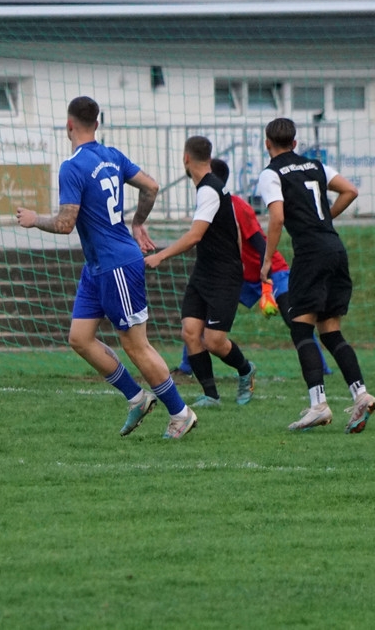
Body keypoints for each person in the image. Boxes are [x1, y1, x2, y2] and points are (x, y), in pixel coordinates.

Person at [16, 96, 197, 439]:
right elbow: (151, 186)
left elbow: (65, 224)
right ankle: (136, 398)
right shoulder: (112, 155)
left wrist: (34, 219)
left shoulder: (72, 166)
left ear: (69, 125)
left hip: (117, 266)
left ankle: (180, 413)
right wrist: (138, 222)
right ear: (97, 124)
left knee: (136, 345)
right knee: (80, 338)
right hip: (97, 266)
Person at [257, 117, 372, 432]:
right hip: (335, 249)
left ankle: (318, 405)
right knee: (331, 332)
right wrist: (325, 219)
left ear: (267, 144)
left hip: (310, 255)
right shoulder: (316, 166)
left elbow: (277, 217)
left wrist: (267, 261)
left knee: (301, 329)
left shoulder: (271, 173)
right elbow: (350, 190)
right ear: (295, 143)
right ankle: (361, 395)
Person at [171, 158, 331, 377]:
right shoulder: (208, 202)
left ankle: (322, 367)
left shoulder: (237, 206)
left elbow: (259, 242)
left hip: (272, 271)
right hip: (241, 276)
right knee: (200, 315)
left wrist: (268, 275)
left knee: (294, 317)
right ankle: (186, 367)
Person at [145, 138, 257, 408]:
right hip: (205, 271)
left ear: (186, 158)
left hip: (224, 275)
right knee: (190, 332)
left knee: (214, 341)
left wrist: (160, 255)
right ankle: (211, 395)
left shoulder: (209, 189)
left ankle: (246, 370)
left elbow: (195, 236)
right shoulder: (209, 188)